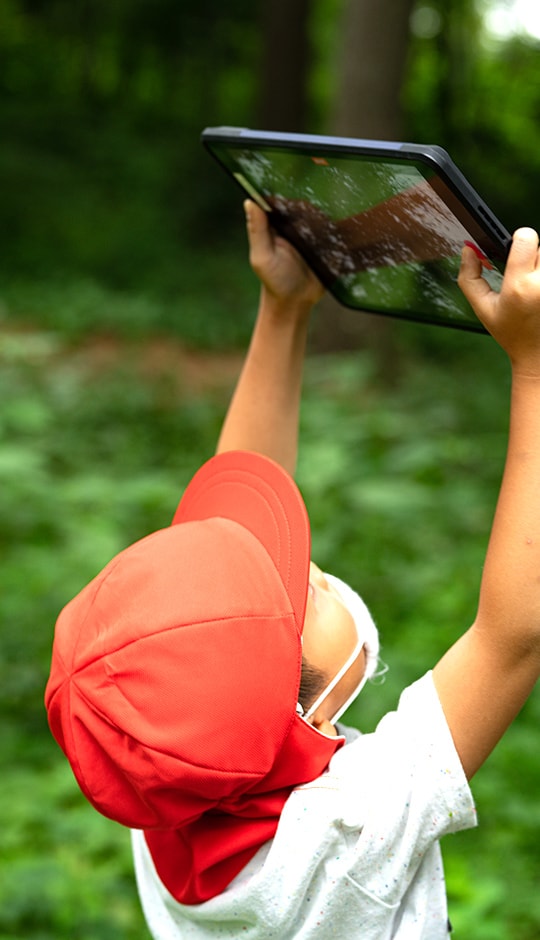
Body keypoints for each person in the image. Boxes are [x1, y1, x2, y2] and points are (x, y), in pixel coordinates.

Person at [45, 200, 540, 939]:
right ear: (298, 717)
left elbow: (204, 603)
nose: (317, 570)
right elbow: (513, 635)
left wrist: (283, 309)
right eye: (305, 588)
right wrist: (534, 369)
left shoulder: (159, 792)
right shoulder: (348, 830)